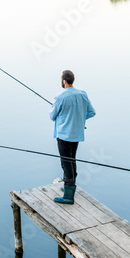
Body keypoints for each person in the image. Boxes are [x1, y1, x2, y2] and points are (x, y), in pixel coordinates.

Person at [49, 70, 96, 205]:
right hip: (76, 134)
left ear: (64, 81)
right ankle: (69, 186)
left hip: (64, 135)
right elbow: (92, 112)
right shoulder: (82, 94)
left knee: (66, 162)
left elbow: (52, 116)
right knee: (71, 159)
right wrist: (80, 119)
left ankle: (69, 196)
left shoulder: (60, 97)